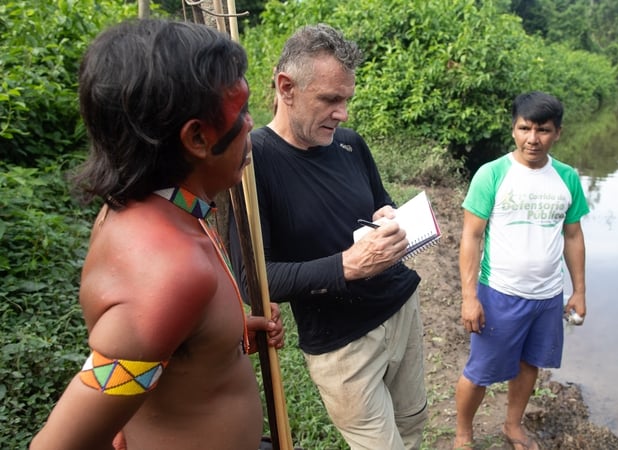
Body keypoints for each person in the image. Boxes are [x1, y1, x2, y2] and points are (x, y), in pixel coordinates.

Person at [30, 18, 285, 450]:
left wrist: (223, 333)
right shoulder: (171, 273)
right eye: (240, 111)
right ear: (198, 138)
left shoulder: (164, 205)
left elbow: (155, 345)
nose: (251, 123)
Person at [229, 23, 428, 450]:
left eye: (347, 100)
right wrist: (347, 265)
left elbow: (381, 202)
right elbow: (253, 280)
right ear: (286, 87)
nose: (343, 114)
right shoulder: (251, 163)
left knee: (412, 426)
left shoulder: (350, 145)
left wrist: (389, 215)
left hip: (400, 309)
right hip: (343, 344)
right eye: (331, 100)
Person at [453, 91, 589, 450]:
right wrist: (470, 298)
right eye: (524, 128)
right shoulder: (492, 174)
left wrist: (579, 291)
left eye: (542, 130)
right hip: (499, 292)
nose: (533, 138)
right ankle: (463, 435)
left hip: (547, 297)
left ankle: (513, 426)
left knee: (531, 365)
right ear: (513, 130)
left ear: (557, 132)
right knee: (480, 371)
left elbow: (573, 236)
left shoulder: (567, 178)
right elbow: (471, 237)